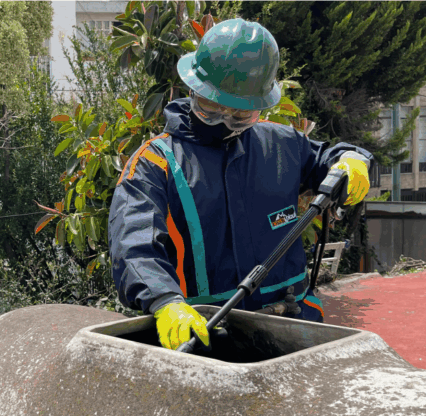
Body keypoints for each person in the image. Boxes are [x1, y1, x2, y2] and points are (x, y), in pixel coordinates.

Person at [108, 18, 372, 351]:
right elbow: (134, 243)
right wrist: (164, 300)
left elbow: (330, 160)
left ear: (259, 107)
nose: (224, 122)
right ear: (193, 91)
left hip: (292, 332)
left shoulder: (283, 146)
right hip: (209, 337)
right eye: (211, 107)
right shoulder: (154, 164)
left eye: (239, 114)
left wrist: (352, 159)